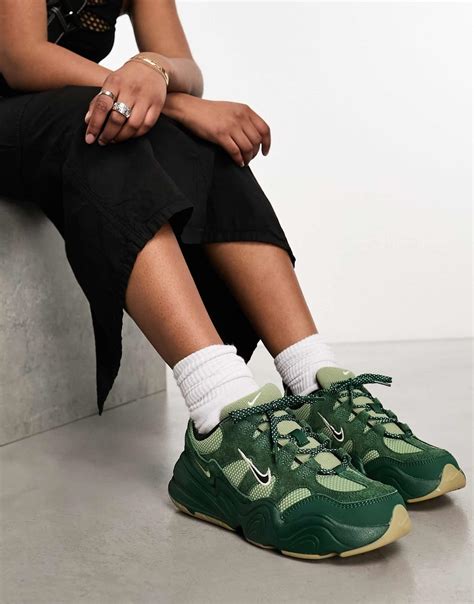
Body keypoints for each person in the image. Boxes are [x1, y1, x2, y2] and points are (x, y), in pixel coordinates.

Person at [0, 0, 465, 559]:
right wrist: (169, 101)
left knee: (203, 137)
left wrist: (154, 72)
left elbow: (183, 65)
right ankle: (220, 419)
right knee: (109, 123)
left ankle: (314, 381)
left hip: (66, 106)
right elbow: (20, 56)